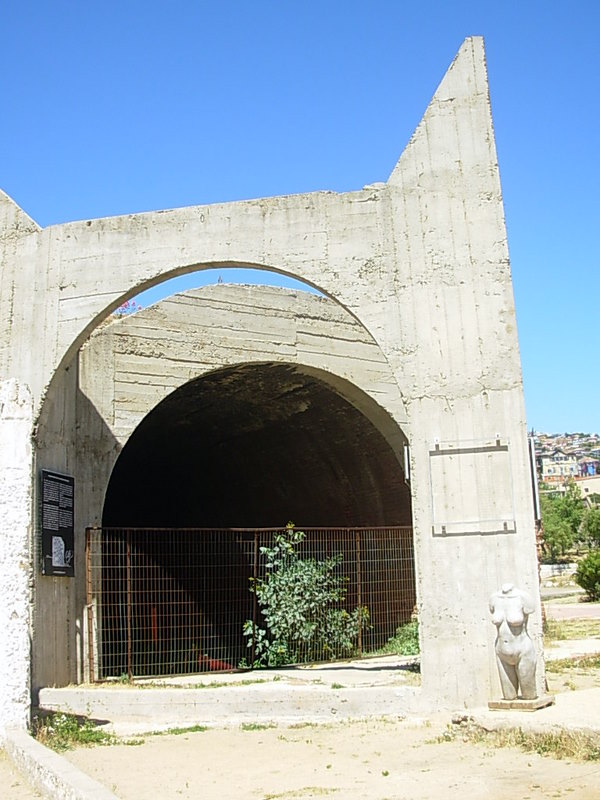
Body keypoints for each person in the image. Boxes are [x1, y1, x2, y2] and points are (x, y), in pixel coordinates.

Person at [489, 583, 537, 700]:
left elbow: (530, 609)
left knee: (529, 695)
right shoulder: (494, 598)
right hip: (501, 651)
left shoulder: (523, 597)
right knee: (508, 696)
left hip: (522, 649)